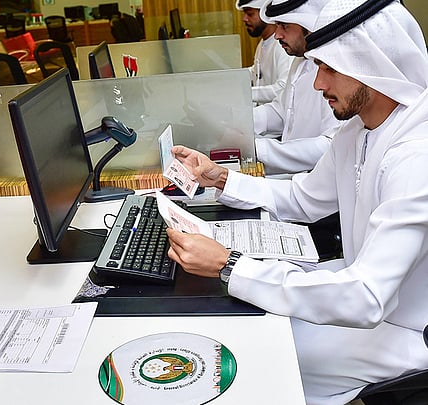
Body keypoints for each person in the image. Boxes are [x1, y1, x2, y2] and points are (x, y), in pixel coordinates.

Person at [166, 0, 428, 403]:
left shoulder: (415, 156)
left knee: (250, 357)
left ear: (370, 66)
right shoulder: (358, 131)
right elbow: (303, 198)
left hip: (406, 326)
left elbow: (366, 296)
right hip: (365, 293)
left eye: (329, 68)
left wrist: (228, 265)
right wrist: (220, 177)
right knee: (248, 319)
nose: (318, 84)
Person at [253, 0, 341, 175]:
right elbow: (282, 111)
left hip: (317, 180)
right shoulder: (300, 60)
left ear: (309, 25)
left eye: (284, 26)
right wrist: (238, 123)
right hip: (294, 177)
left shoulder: (336, 69)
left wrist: (259, 150)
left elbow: (331, 145)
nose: (277, 35)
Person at [236, 0, 293, 105]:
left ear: (265, 13)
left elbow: (283, 88)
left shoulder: (283, 46)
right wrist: (230, 76)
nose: (244, 18)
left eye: (250, 14)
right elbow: (257, 72)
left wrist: (245, 93)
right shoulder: (263, 43)